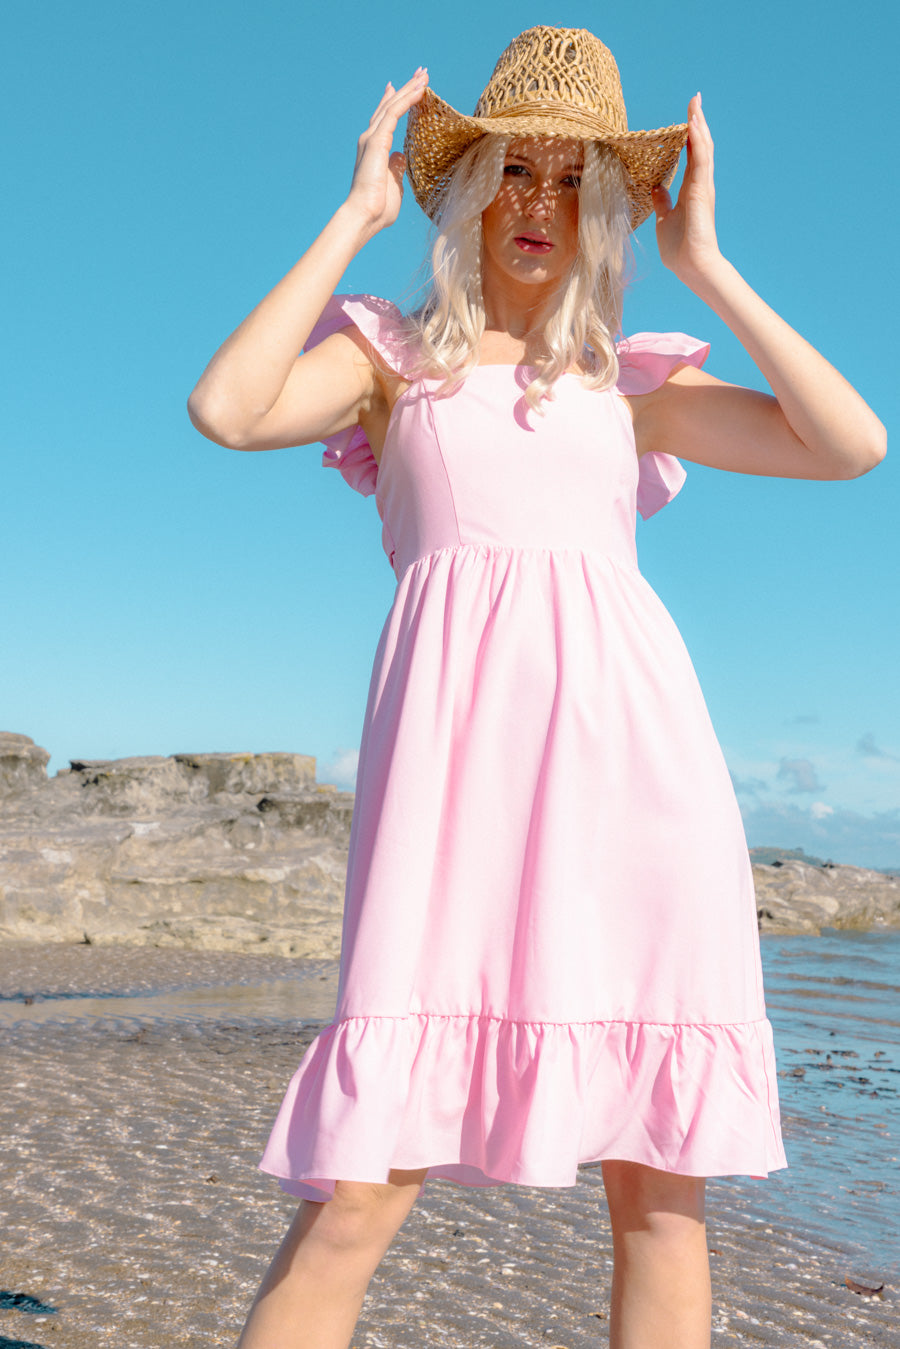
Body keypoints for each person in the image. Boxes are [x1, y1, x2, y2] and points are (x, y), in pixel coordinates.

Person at [188, 25, 885, 1349]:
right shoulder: (392, 361)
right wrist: (352, 216)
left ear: (608, 209)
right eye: (517, 169)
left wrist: (712, 268)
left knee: (660, 1199)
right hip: (450, 815)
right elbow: (226, 406)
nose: (538, 206)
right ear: (469, 185)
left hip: (638, 796)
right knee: (357, 1196)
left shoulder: (628, 387)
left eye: (575, 182)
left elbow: (853, 443)